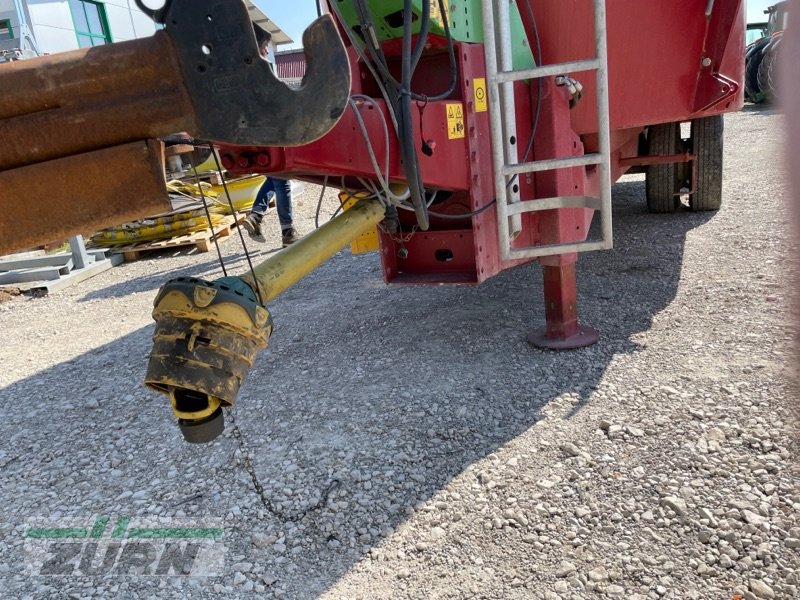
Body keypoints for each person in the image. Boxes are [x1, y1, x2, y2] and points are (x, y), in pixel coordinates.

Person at [243, 24, 301, 247]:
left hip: (253, 133)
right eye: (265, 46)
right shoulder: (261, 68)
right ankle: (288, 232)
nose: (267, 51)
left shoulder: (240, 72)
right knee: (282, 180)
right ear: (255, 46)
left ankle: (256, 215)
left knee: (274, 177)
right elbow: (276, 99)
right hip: (271, 130)